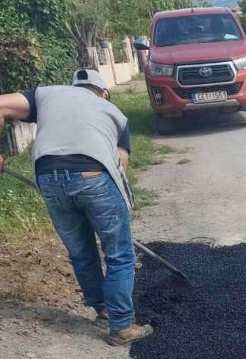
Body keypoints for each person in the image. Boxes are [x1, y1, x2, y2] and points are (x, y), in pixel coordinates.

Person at [0, 69, 154, 346]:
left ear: (73, 87)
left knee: (81, 252)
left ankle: (103, 310)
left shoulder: (46, 95)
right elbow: (120, 166)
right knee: (120, 253)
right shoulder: (113, 112)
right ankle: (121, 325)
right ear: (103, 92)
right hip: (94, 176)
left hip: (48, 176)